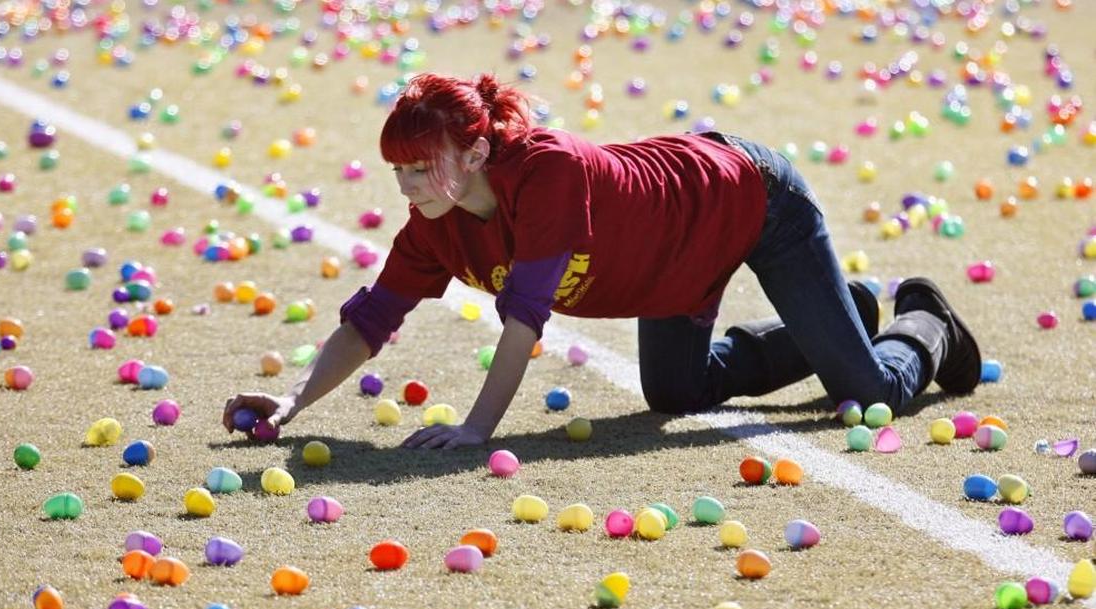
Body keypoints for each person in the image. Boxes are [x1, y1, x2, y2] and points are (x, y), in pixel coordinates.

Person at [222, 72, 980, 449]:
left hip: (751, 203)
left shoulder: (543, 174)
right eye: (398, 170)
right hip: (674, 259)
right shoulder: (434, 226)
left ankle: (920, 318)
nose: (406, 185)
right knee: (677, 392)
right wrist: (291, 405)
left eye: (421, 167)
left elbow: (525, 320)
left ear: (479, 151)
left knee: (869, 387)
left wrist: (478, 429)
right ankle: (849, 310)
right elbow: (371, 321)